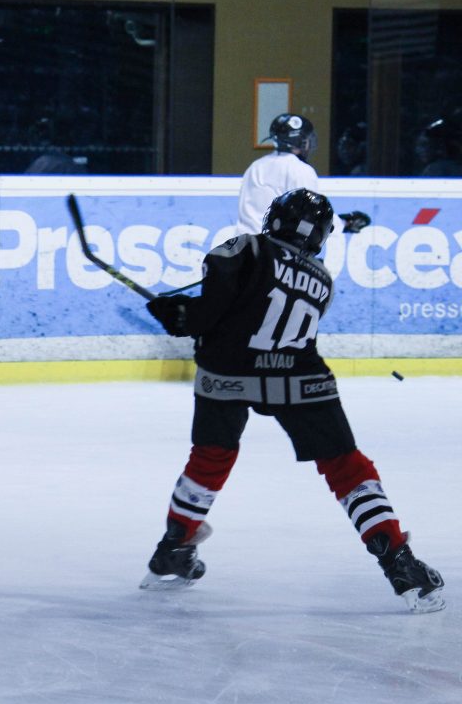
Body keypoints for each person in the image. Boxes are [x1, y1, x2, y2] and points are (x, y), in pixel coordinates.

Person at [142, 189, 445, 613]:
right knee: (346, 466)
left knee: (211, 455)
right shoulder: (324, 280)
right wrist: (190, 315)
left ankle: (174, 546)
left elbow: (213, 312)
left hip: (228, 373)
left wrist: (179, 316)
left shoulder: (244, 247)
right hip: (299, 377)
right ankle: (399, 560)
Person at [239, 113, 369, 235]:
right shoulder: (300, 170)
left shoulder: (255, 167)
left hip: (243, 248)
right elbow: (312, 214)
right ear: (300, 141)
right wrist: (344, 224)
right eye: (306, 138)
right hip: (273, 251)